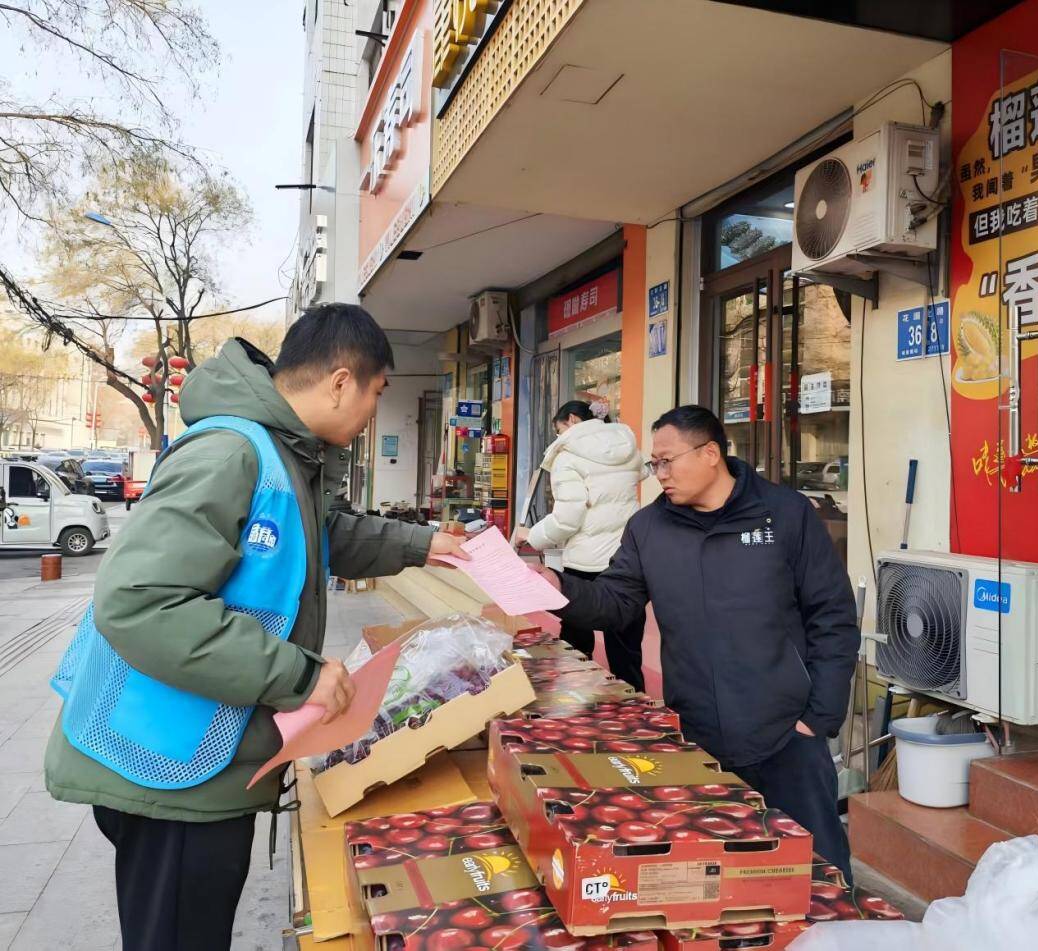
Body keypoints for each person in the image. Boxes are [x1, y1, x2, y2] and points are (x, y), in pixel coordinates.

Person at [44, 303, 469, 951]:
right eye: (378, 392)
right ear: (340, 382)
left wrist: (424, 544)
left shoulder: (281, 454)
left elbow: (322, 532)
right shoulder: (231, 454)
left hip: (199, 753)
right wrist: (298, 675)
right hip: (166, 761)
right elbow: (140, 600)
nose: (373, 413)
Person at [534, 405, 858, 879]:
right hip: (699, 734)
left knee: (818, 872)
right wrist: (558, 588)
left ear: (710, 454)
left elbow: (832, 615)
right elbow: (617, 602)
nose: (659, 474)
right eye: (654, 464)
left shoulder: (785, 514)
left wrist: (819, 718)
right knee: (721, 875)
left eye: (667, 461)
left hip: (787, 734)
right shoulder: (649, 528)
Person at [516, 399, 646, 690]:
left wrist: (532, 536)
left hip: (585, 561)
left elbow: (567, 519)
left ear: (573, 420)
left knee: (575, 641)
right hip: (627, 557)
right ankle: (635, 702)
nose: (559, 436)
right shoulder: (625, 445)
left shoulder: (568, 456)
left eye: (559, 429)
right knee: (626, 645)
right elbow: (639, 477)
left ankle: (574, 699)